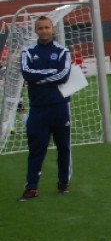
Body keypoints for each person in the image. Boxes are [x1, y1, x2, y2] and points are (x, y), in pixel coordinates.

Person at [18, 15, 72, 201]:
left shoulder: (63, 51)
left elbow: (64, 76)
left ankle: (63, 181)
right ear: (36, 31)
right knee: (36, 149)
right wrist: (50, 73)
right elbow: (27, 73)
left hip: (60, 107)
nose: (44, 31)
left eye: (47, 27)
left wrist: (39, 79)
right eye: (40, 28)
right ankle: (32, 188)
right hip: (38, 109)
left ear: (53, 29)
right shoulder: (27, 52)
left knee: (63, 147)